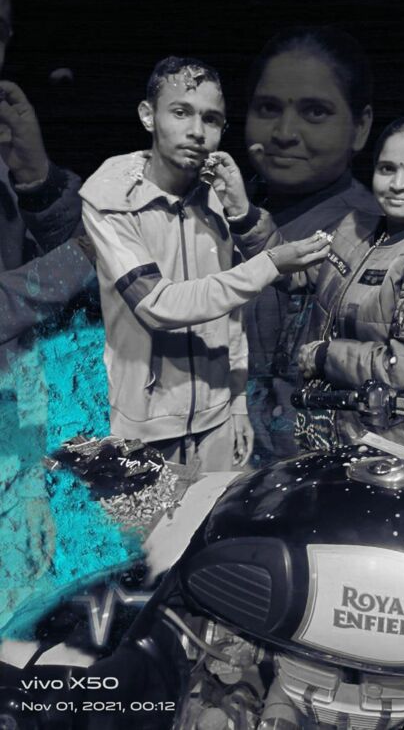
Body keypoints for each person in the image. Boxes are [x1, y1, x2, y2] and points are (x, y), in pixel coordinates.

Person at [80, 56, 329, 472]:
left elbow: (230, 314)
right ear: (148, 115)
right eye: (181, 112)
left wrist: (236, 403)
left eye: (211, 119)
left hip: (217, 419)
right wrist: (270, 262)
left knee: (216, 515)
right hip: (146, 427)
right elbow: (159, 305)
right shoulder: (110, 201)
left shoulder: (215, 198)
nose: (197, 131)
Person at [214, 115, 404, 457]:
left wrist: (324, 356)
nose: (398, 184)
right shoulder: (357, 226)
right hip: (338, 434)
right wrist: (243, 213)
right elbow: (296, 273)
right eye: (387, 169)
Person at [241, 26, 381, 460]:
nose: (284, 132)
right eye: (268, 108)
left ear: (360, 127)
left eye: (315, 112)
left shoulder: (372, 237)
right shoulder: (218, 208)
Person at [0, 0, 96, 366]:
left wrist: (42, 186)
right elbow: (94, 255)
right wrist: (77, 260)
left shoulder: (8, 157)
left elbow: (102, 295)